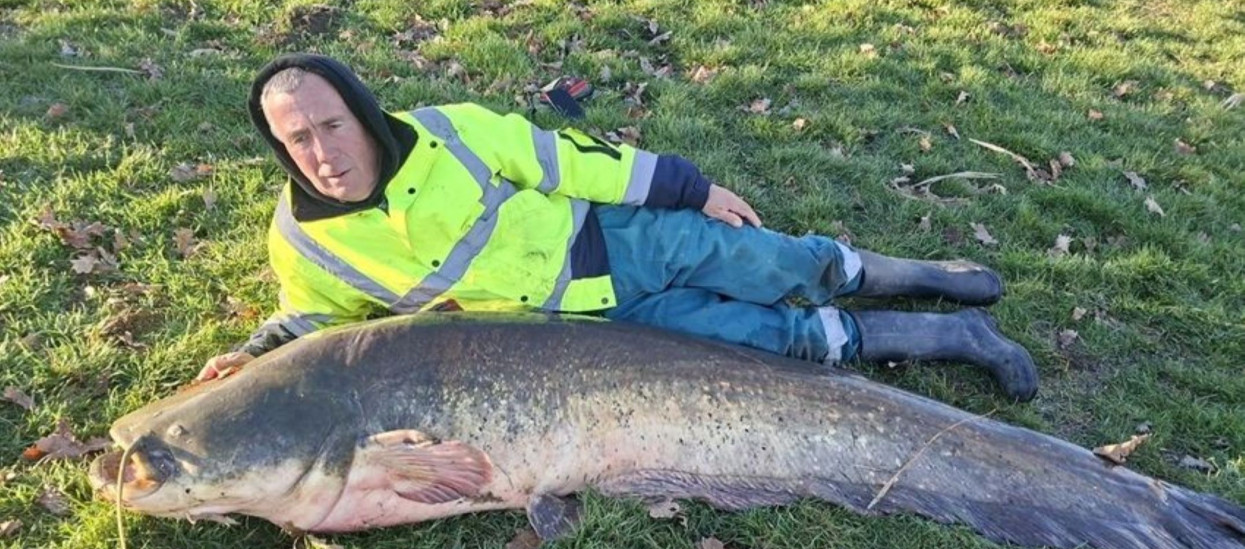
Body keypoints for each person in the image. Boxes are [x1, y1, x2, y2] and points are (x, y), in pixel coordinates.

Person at [197, 54, 1038, 401]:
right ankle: (952, 338)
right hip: (583, 328)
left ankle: (929, 272)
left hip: (616, 237)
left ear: (363, 114)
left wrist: (689, 187)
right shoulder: (305, 238)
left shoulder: (448, 133)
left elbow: (572, 160)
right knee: (764, 341)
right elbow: (313, 317)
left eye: (330, 125)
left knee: (776, 261)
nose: (320, 152)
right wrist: (252, 357)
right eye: (296, 139)